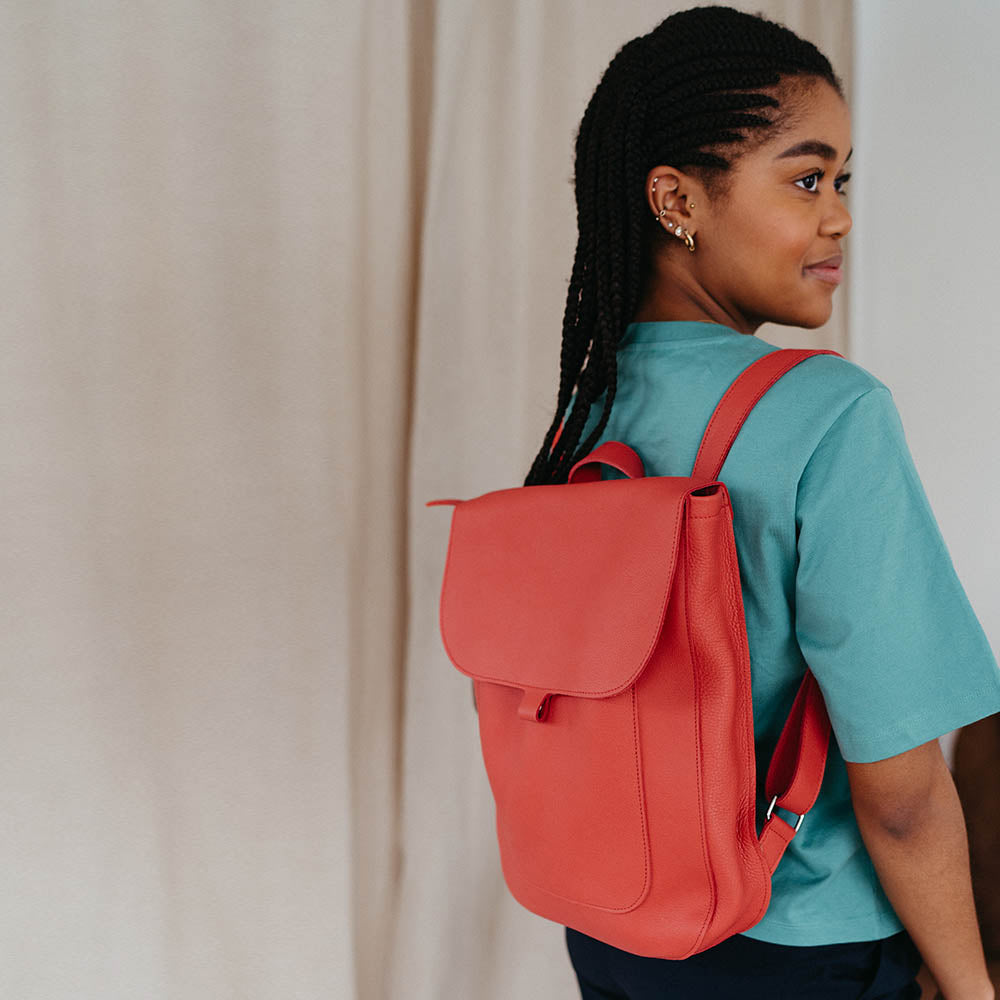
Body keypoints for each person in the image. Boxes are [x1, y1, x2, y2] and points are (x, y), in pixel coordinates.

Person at [521, 6, 1000, 999]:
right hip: (799, 946)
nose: (840, 216)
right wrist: (969, 983)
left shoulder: (589, 405)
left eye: (843, 181)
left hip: (616, 925)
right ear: (676, 199)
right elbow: (903, 793)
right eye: (806, 178)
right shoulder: (830, 412)